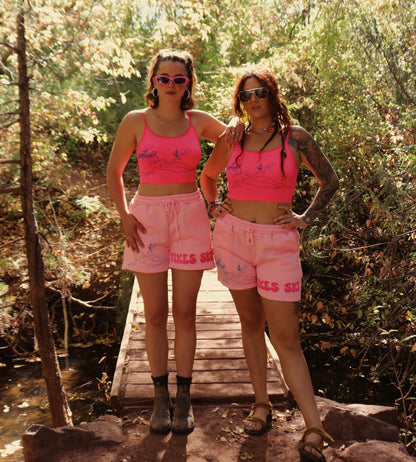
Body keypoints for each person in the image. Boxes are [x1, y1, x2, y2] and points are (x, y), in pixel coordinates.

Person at [200, 67, 339, 461]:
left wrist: (304, 218)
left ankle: (314, 426)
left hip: (277, 243)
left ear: (273, 94)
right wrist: (214, 206)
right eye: (245, 95)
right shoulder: (233, 137)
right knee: (249, 323)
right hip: (232, 238)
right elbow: (208, 177)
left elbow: (330, 180)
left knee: (286, 338)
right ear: (238, 101)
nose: (253, 100)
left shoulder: (296, 138)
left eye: (259, 92)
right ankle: (262, 404)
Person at [106, 49, 242, 435]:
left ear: (188, 84)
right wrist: (124, 217)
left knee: (184, 314)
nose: (170, 85)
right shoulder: (135, 121)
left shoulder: (197, 121)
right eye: (163, 78)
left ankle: (184, 397)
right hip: (146, 217)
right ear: (153, 81)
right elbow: (114, 171)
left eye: (178, 79)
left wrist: (227, 138)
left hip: (189, 214)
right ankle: (159, 397)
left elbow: (235, 136)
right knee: (153, 315)